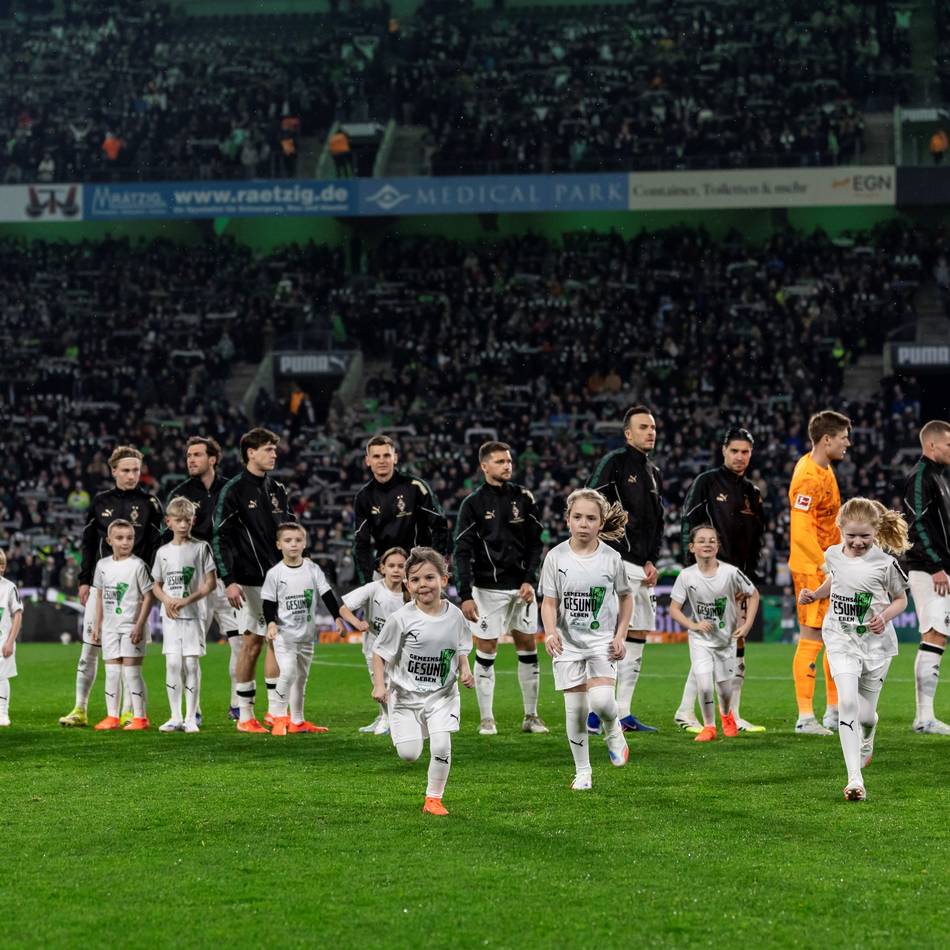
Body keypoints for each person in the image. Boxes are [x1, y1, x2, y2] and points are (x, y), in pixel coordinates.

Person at [798, 499, 911, 801]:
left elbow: (901, 600)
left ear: (876, 530)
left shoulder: (886, 564)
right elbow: (834, 580)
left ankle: (868, 736)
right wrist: (815, 595)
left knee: (866, 716)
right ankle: (854, 780)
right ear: (840, 530)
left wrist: (884, 617)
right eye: (851, 536)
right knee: (846, 702)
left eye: (865, 536)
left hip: (876, 646)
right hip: (840, 638)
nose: (858, 542)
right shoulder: (832, 554)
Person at [59, 445, 163, 728]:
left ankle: (129, 712)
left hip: (135, 589)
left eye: (136, 470)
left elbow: (156, 548)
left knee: (129, 652)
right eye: (126, 470)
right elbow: (89, 543)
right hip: (101, 584)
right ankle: (80, 708)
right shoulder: (99, 502)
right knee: (90, 647)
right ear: (113, 470)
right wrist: (84, 580)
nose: (132, 476)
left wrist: (153, 586)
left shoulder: (150, 503)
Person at [540, 489, 633, 790]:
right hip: (568, 644)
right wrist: (550, 631)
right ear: (567, 520)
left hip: (601, 641)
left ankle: (612, 727)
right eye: (577, 517)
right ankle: (583, 772)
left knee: (603, 701)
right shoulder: (555, 557)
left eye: (591, 518)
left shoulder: (611, 558)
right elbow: (549, 602)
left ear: (601, 522)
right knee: (576, 711)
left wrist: (620, 636)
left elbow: (626, 598)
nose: (583, 523)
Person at [371, 547, 474, 816]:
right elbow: (379, 654)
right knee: (409, 754)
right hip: (405, 697)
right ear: (407, 584)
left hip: (443, 695)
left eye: (429, 578)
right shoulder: (401, 619)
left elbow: (461, 647)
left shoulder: (456, 616)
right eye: (415, 580)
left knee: (441, 744)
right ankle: (413, 726)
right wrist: (380, 685)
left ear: (444, 579)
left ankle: (433, 799)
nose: (422, 585)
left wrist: (465, 669)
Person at [454, 441, 547, 736]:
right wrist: (466, 595)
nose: (507, 465)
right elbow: (461, 551)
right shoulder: (473, 504)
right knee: (487, 648)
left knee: (528, 646)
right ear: (484, 466)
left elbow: (536, 543)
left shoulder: (524, 497)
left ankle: (531, 716)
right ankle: (486, 719)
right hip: (487, 589)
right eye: (499, 461)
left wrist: (530, 578)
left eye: (508, 460)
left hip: (521, 588)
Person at [678, 426, 767, 732]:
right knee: (715, 642)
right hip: (709, 578)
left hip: (737, 582)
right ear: (724, 451)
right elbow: (688, 523)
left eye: (745, 452)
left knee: (730, 643)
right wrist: (691, 570)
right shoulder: (707, 482)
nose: (740, 457)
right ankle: (698, 713)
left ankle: (725, 713)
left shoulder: (752, 494)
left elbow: (756, 542)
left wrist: (749, 582)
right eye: (735, 451)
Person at [586, 406, 663, 733]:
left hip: (641, 567)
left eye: (653, 427)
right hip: (615, 563)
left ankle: (623, 712)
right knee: (608, 635)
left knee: (638, 635)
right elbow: (590, 502)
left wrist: (652, 558)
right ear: (628, 433)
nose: (651, 432)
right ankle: (594, 712)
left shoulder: (654, 472)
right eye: (643, 427)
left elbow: (656, 523)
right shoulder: (614, 463)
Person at [212, 427, 293, 733]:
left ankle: (275, 712)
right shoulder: (233, 490)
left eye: (275, 449)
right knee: (252, 644)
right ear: (251, 452)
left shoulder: (277, 489)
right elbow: (221, 537)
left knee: (277, 642)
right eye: (268, 449)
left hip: (279, 579)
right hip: (247, 580)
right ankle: (245, 715)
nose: (274, 454)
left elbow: (285, 531)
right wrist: (229, 579)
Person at [167, 436, 241, 720]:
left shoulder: (231, 489)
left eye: (197, 454)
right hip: (195, 581)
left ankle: (237, 704)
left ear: (213, 459)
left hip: (228, 579)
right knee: (191, 650)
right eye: (188, 455)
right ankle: (192, 709)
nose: (191, 460)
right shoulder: (180, 494)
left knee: (240, 643)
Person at [263, 523, 362, 736]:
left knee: (301, 679)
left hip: (307, 636)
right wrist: (270, 622)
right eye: (288, 541)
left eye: (298, 540)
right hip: (285, 635)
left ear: (304, 542)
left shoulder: (312, 569)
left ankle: (297, 721)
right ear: (279, 544)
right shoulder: (275, 573)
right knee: (288, 672)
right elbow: (268, 603)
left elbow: (327, 594)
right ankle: (278, 716)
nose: (293, 544)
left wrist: (337, 617)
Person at [789, 410, 851, 735]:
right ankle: (805, 718)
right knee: (812, 637)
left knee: (834, 636)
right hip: (812, 568)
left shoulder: (824, 469)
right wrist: (826, 564)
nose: (848, 444)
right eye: (843, 438)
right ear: (827, 440)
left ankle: (832, 711)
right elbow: (800, 532)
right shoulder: (809, 477)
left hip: (827, 565)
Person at [669, 525, 759, 742]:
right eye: (701, 540)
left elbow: (753, 594)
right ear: (691, 547)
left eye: (712, 540)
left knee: (725, 691)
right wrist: (692, 625)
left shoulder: (730, 572)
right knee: (705, 686)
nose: (707, 544)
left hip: (725, 641)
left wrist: (746, 626)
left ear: (718, 546)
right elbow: (674, 609)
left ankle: (727, 715)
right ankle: (709, 727)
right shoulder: (686, 576)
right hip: (700, 640)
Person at [151, 497, 217, 734]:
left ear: (193, 521)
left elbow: (210, 583)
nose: (183, 524)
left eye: (187, 520)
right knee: (172, 663)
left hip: (193, 614)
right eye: (178, 520)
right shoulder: (162, 552)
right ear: (169, 522)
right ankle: (174, 716)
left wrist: (186, 600)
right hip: (170, 615)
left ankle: (191, 717)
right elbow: (156, 584)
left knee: (191, 663)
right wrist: (167, 599)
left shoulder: (201, 548)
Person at [902, 419, 950, 734]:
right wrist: (935, 566)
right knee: (934, 634)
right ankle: (924, 718)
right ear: (931, 445)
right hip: (929, 571)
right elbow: (915, 524)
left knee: (938, 636)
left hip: (939, 570)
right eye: (948, 444)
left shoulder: (939, 478)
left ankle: (926, 717)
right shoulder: (920, 476)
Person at [352, 435, 448, 585]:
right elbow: (361, 543)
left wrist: (434, 565)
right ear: (368, 461)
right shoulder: (364, 497)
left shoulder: (416, 487)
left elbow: (439, 525)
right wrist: (367, 581)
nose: (382, 460)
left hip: (417, 568)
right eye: (376, 456)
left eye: (387, 455)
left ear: (395, 458)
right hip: (384, 571)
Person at [90, 520, 154, 731]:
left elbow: (148, 596)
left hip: (131, 627)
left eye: (130, 538)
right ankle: (112, 716)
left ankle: (140, 717)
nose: (125, 542)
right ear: (109, 541)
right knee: (112, 673)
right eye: (120, 538)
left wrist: (139, 625)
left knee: (132, 673)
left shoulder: (138, 565)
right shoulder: (102, 565)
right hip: (109, 628)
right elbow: (99, 596)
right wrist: (97, 625)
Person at [343, 546, 408, 735]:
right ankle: (385, 718)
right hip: (374, 647)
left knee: (396, 685)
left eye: (401, 566)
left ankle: (391, 721)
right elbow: (344, 607)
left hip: (401, 648)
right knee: (379, 684)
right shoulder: (373, 588)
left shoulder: (411, 592)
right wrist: (356, 622)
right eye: (392, 566)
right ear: (382, 568)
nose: (396, 570)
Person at [0, 548, 24, 727]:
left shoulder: (9, 587)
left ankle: (2, 713)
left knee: (1, 677)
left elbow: (17, 614)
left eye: (2, 565)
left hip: (2, 641)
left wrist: (10, 641)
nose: (1, 568)